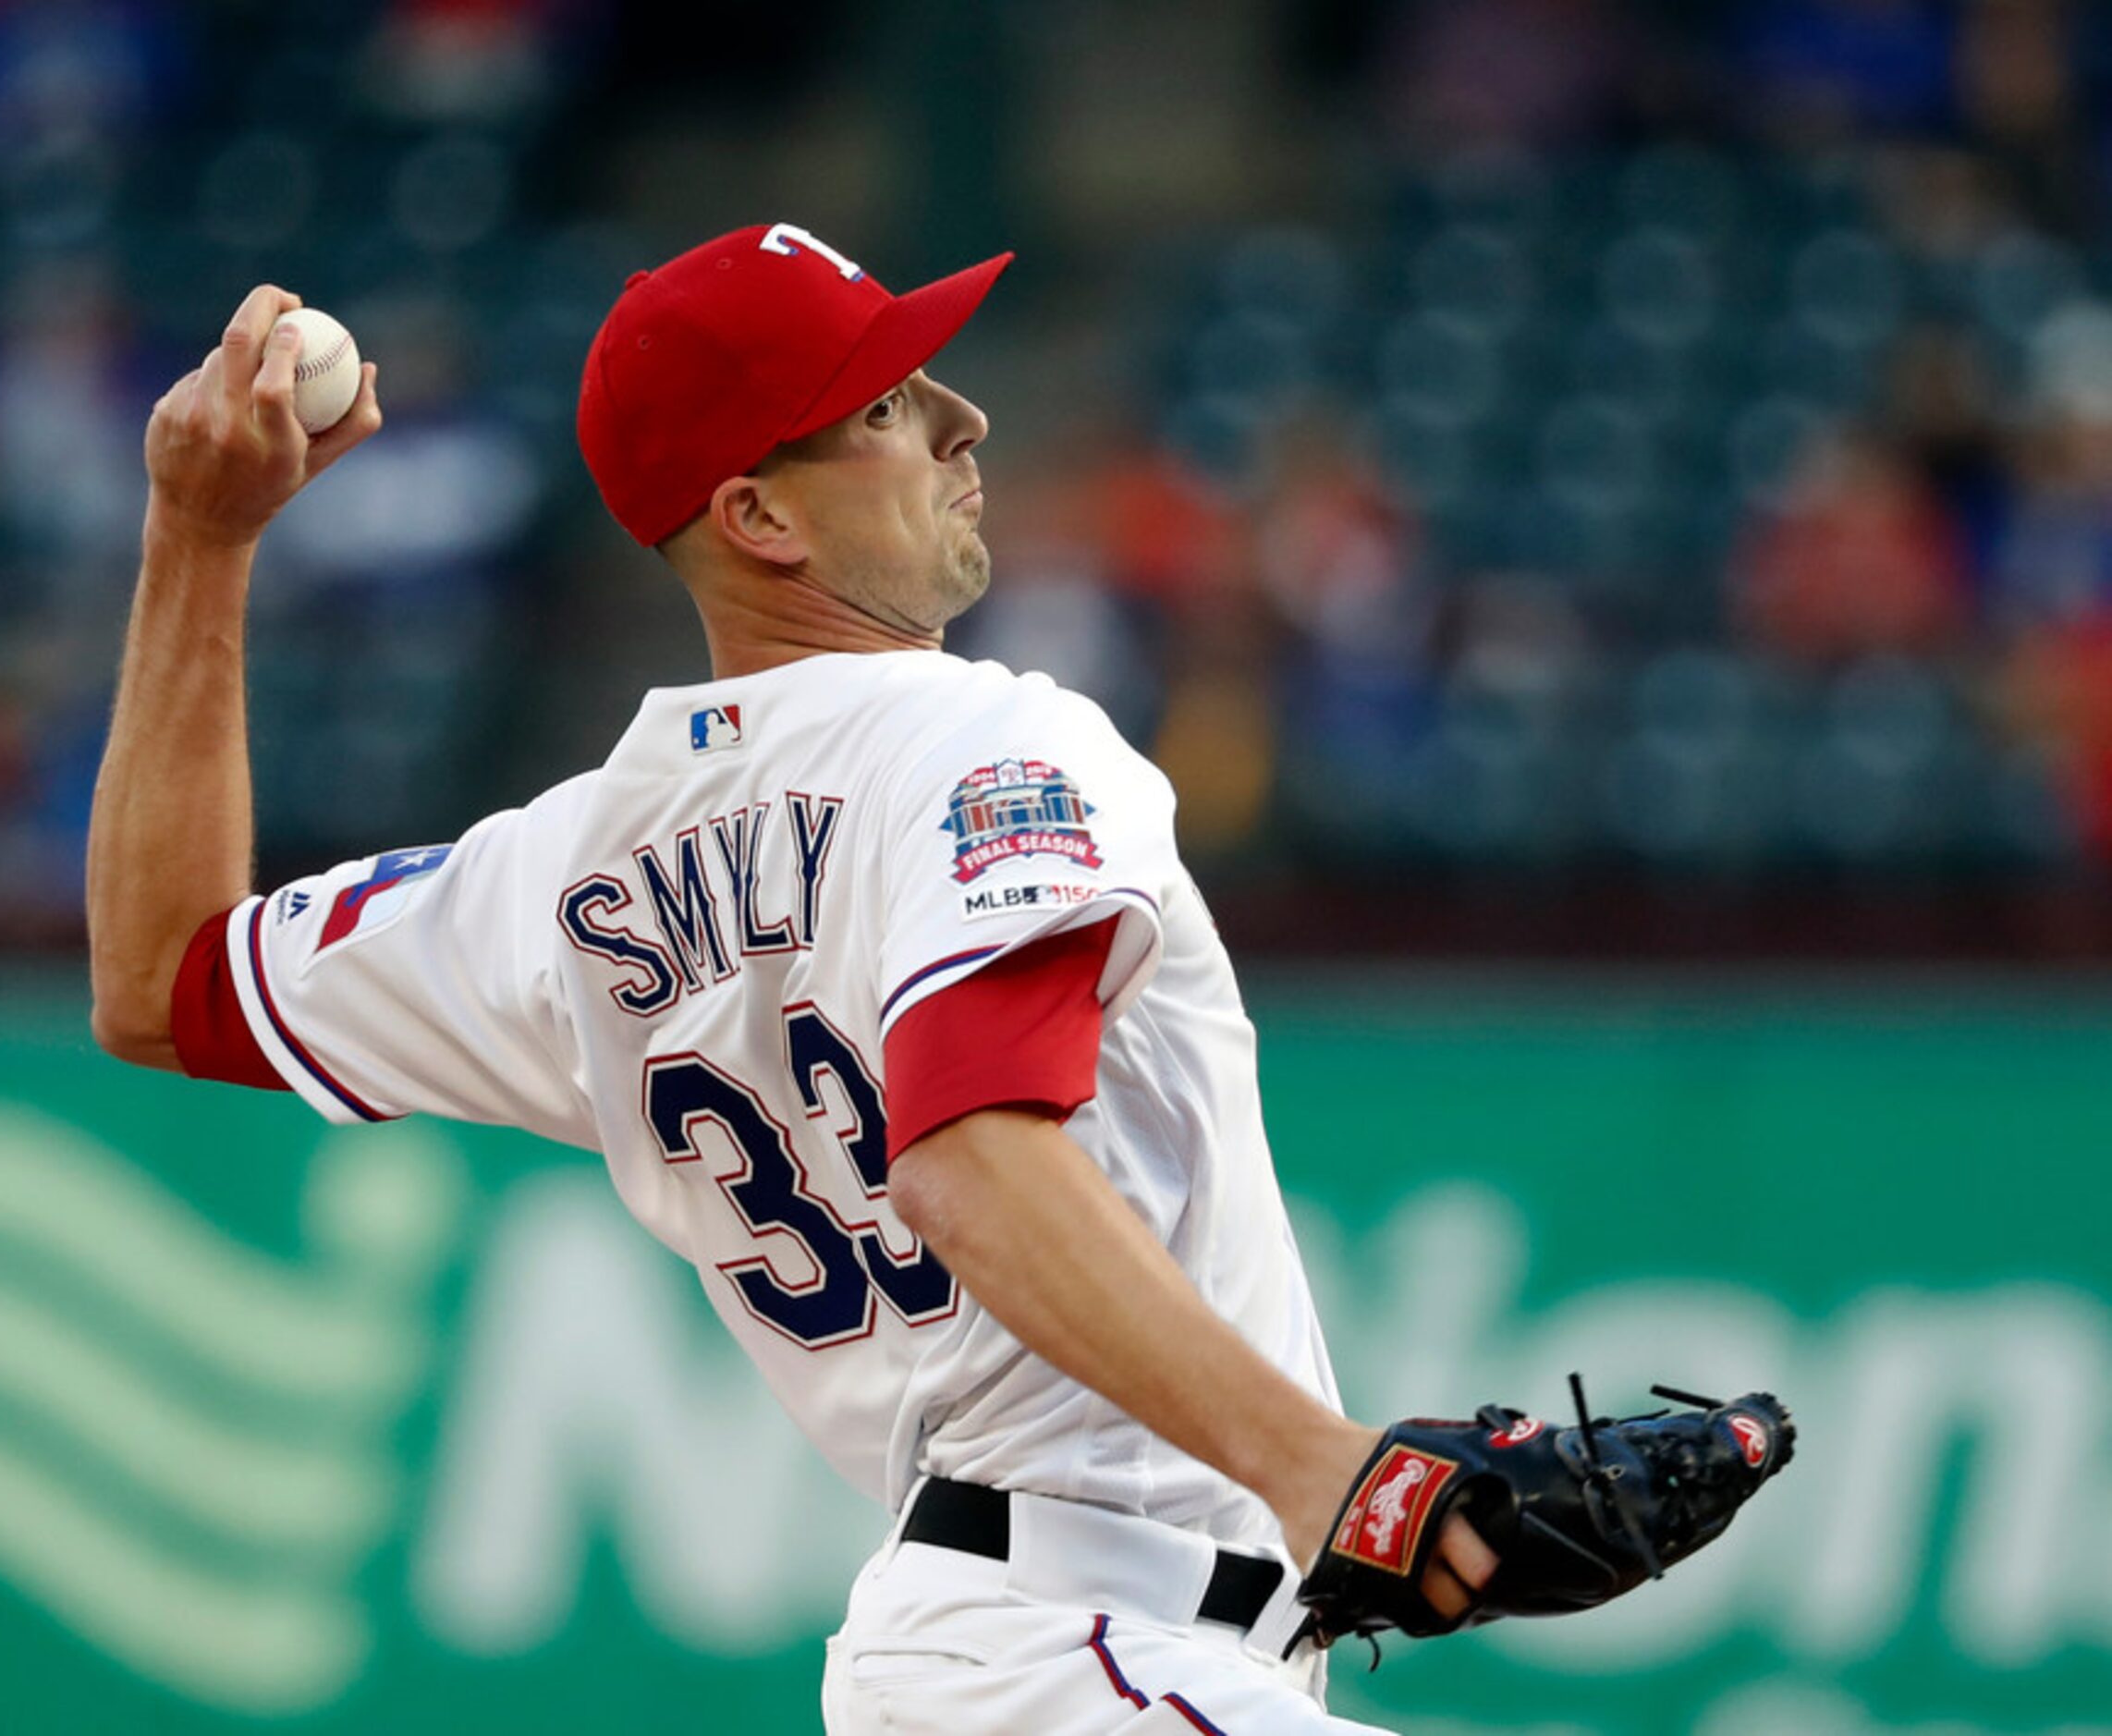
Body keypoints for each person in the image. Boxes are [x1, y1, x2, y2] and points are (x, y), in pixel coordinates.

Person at [86, 222, 1498, 1733]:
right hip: (1082, 1642)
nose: (962, 418)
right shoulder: (988, 739)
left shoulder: (557, 874)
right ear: (758, 512)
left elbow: (166, 978)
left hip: (1013, 1658)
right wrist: (1327, 1467)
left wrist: (201, 535)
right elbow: (963, 1156)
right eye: (887, 404)